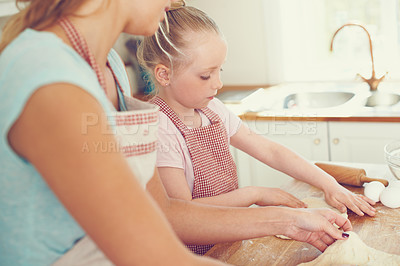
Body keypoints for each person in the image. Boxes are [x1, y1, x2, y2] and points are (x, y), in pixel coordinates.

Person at [0, 0, 352, 265]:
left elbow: (164, 211)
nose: (174, 2)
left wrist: (290, 220)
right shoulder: (50, 83)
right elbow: (150, 250)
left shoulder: (108, 66)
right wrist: (269, 205)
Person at [137, 1, 376, 255]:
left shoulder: (212, 109)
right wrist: (253, 194)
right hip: (192, 255)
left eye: (220, 70)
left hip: (230, 239)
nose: (218, 83)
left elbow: (269, 150)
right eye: (206, 75)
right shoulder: (160, 128)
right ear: (164, 75)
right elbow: (183, 212)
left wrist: (329, 184)